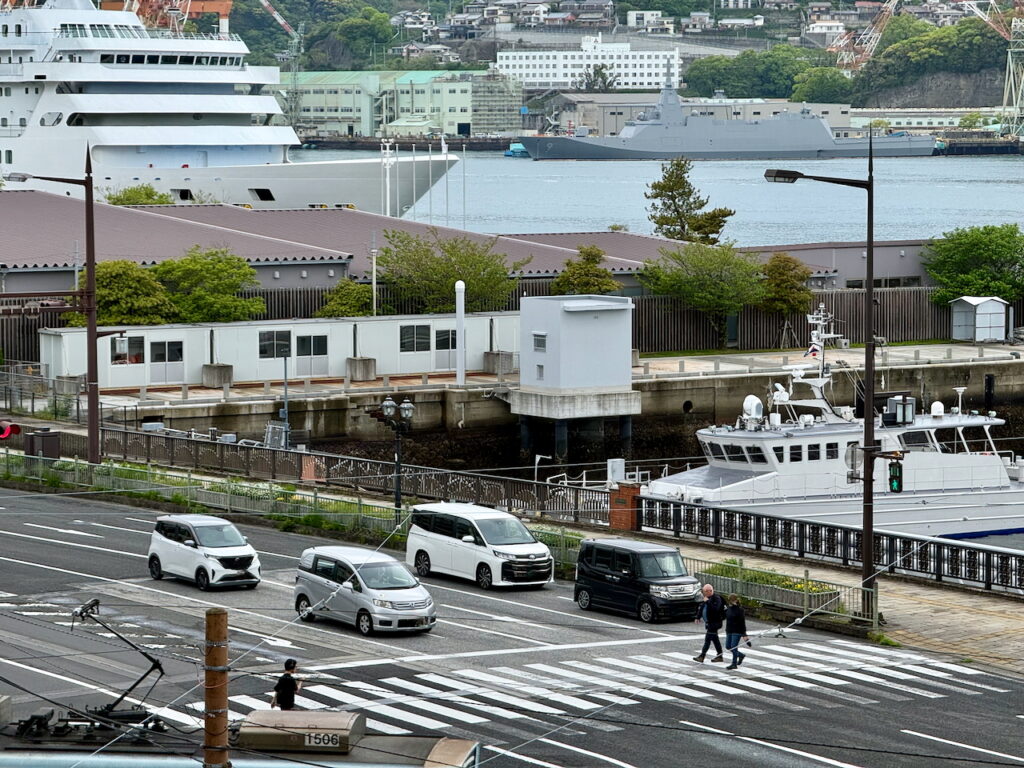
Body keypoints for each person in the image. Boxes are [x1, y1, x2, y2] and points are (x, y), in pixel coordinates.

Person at [693, 584, 726, 663]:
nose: (703, 593)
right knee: (715, 639)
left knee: (707, 640)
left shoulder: (716, 598)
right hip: (709, 623)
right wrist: (698, 617)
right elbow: (702, 608)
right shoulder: (707, 598)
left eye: (704, 592)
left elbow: (715, 609)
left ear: (709, 591)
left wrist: (707, 602)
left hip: (715, 623)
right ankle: (720, 656)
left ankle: (702, 656)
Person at [724, 593, 749, 670]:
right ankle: (740, 655)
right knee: (728, 646)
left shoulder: (740, 610)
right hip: (729, 630)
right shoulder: (728, 609)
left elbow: (742, 623)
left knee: (734, 647)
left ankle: (734, 664)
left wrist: (744, 635)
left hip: (737, 631)